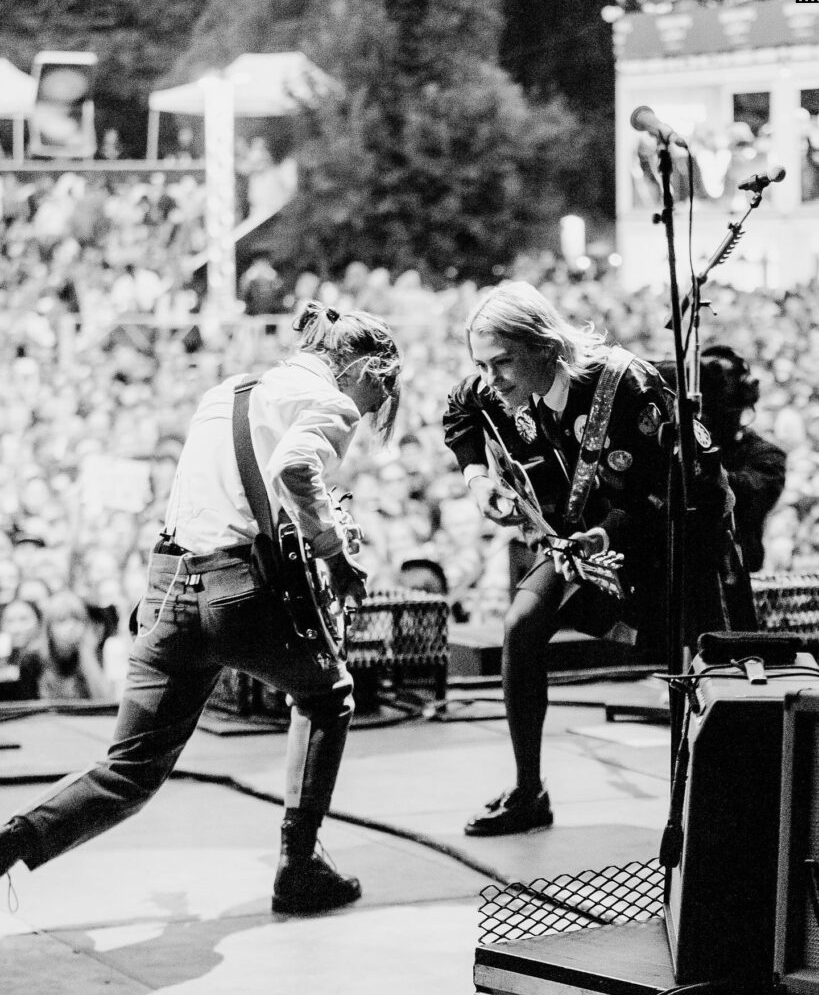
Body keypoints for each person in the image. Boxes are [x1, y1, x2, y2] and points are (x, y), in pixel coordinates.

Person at [0, 300, 402, 914]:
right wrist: (336, 552)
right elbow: (294, 467)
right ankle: (299, 868)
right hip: (236, 593)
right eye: (380, 397)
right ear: (369, 370)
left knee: (127, 772)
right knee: (327, 697)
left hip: (167, 590)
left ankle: (9, 845)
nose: (371, 411)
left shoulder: (227, 392)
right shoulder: (332, 401)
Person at [443, 280, 748, 837]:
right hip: (584, 541)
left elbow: (681, 494)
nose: (491, 379)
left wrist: (603, 537)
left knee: (696, 668)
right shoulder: (499, 386)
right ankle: (528, 791)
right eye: (483, 365)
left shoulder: (628, 387)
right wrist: (477, 477)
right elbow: (460, 409)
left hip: (673, 543)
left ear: (545, 345)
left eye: (502, 363)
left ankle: (708, 808)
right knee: (522, 622)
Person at [699, 345, 786, 573]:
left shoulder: (767, 457)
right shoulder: (673, 446)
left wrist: (700, 464)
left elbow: (744, 499)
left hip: (733, 579)